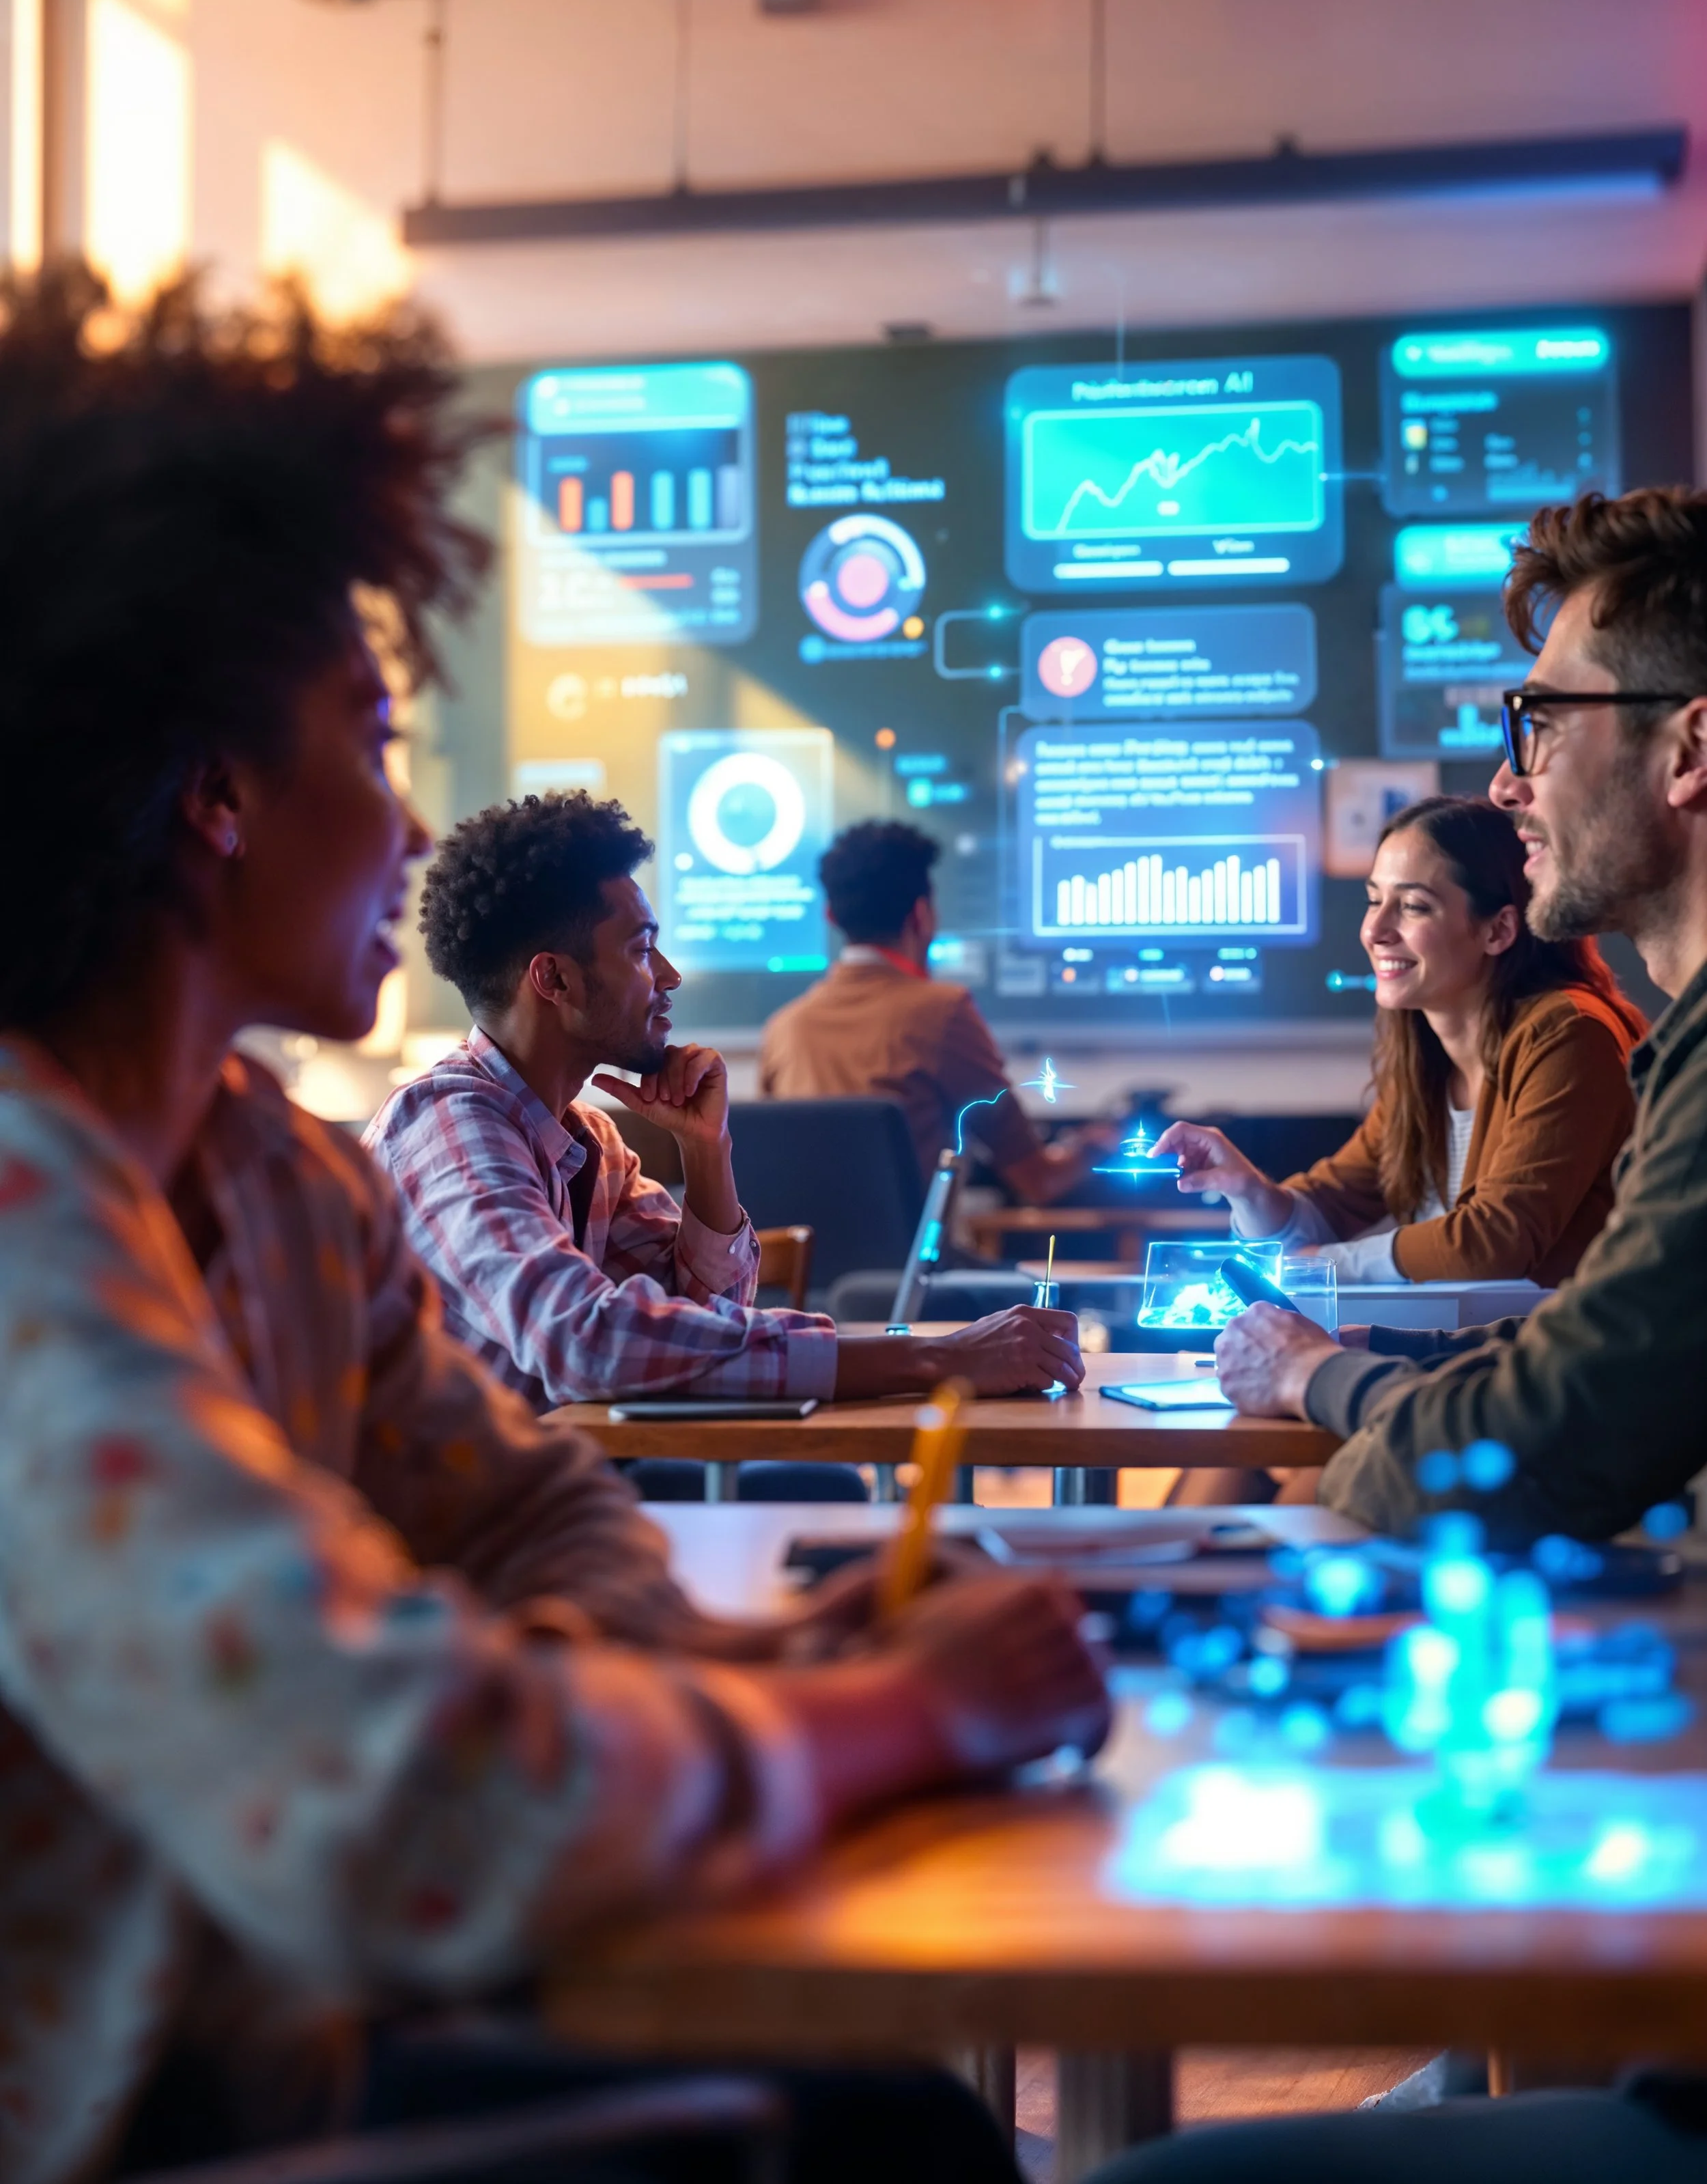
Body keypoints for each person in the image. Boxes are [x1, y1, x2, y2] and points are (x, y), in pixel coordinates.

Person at [0, 265, 1110, 2184]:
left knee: (889, 2124)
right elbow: (388, 1801)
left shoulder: (270, 1166)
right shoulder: (28, 1201)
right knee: (884, 2150)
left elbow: (523, 1506)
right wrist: (877, 1714)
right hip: (136, 2119)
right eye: (367, 743)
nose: (409, 831)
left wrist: (744, 1668)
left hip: (287, 2039)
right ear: (212, 801)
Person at [1211, 484, 1707, 1550]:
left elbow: (1552, 1426)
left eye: (1542, 724)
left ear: (1689, 751)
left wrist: (1316, 1370)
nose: (1509, 783)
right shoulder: (1671, 1054)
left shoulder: (1601, 1041)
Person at [366, 794, 1084, 1405]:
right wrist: (934, 1359)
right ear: (553, 981)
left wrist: (705, 1153)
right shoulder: (448, 1123)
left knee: (811, 1496)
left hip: (544, 1492)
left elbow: (703, 1331)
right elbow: (588, 1344)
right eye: (642, 950)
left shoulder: (585, 1142)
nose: (669, 976)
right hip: (436, 1538)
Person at [1156, 796, 1643, 1286]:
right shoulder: (1427, 1060)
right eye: (1374, 900)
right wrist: (1249, 1191)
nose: (1374, 931)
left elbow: (1495, 1242)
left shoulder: (1570, 1035)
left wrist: (1324, 1265)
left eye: (1412, 906)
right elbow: (1330, 1203)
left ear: (1498, 929)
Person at [757, 817, 1116, 1195]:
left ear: (830, 915)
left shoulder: (783, 1028)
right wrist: (1096, 1144)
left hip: (807, 1255)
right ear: (921, 914)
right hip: (917, 1256)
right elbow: (1037, 1180)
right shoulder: (943, 1011)